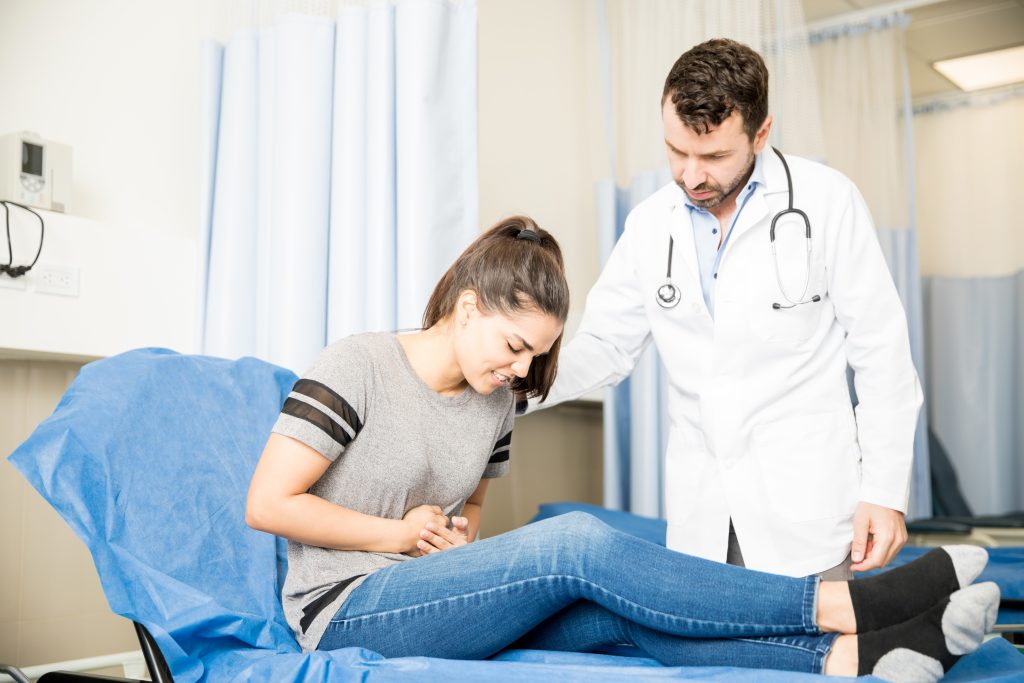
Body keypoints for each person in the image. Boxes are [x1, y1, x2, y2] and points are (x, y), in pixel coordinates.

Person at [246, 216, 997, 681]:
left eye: (534, 358)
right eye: (513, 347)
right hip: (344, 604)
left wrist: (449, 535)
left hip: (435, 593)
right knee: (574, 543)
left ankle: (850, 658)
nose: (519, 372)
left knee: (615, 614)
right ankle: (845, 603)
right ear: (467, 306)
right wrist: (398, 534)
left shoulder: (499, 398)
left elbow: (466, 517)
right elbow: (268, 504)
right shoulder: (358, 363)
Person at [531, 38, 924, 580]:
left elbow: (882, 352)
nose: (691, 177)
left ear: (761, 133)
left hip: (805, 504)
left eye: (714, 156)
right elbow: (604, 348)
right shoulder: (650, 224)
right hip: (703, 509)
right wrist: (513, 383)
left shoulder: (827, 201)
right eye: (676, 151)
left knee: (815, 649)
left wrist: (884, 490)